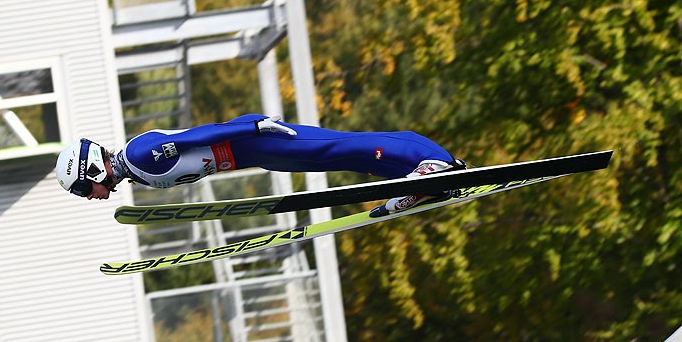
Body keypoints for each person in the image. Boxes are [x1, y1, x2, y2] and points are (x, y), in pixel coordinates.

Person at [54, 114, 466, 216]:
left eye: (83, 189)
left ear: (91, 170)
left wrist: (252, 126)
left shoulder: (139, 155)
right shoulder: (135, 172)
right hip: (256, 156)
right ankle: (420, 179)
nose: (89, 197)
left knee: (338, 147)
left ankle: (431, 164)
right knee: (344, 157)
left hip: (255, 141)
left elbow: (196, 135)